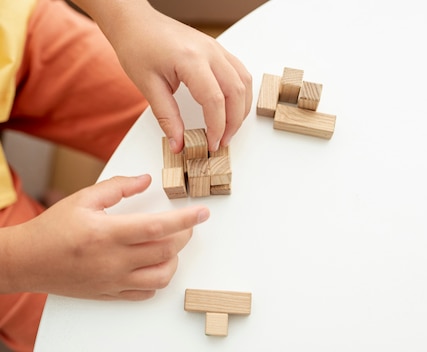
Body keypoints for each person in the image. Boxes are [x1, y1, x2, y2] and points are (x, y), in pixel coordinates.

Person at [0, 0, 252, 350]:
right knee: (92, 335)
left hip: (12, 33)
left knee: (188, 117)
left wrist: (129, 16)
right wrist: (17, 262)